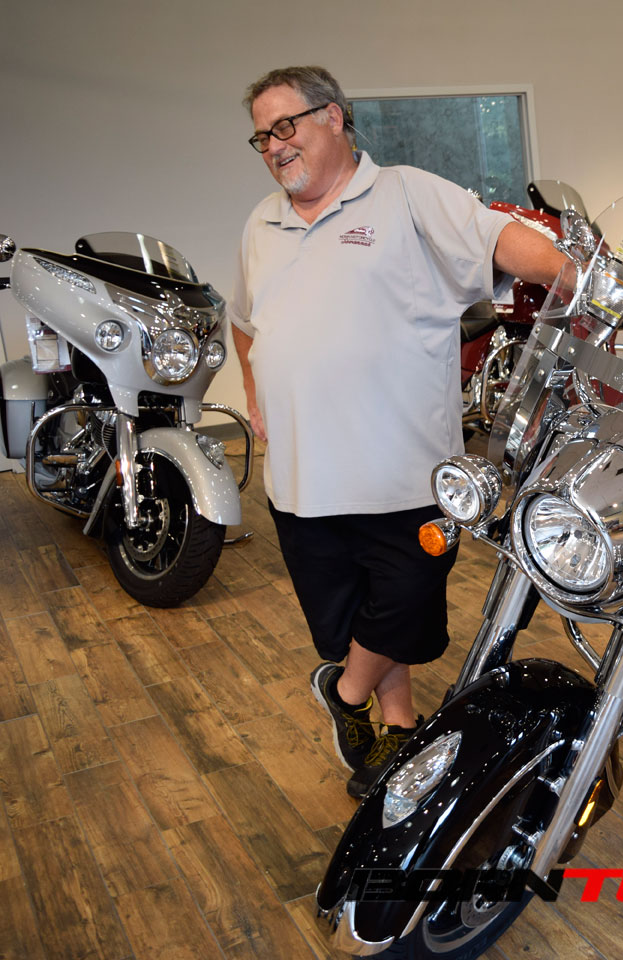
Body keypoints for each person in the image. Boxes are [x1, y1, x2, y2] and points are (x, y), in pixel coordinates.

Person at [230, 66, 570, 798]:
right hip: (302, 477)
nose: (275, 146)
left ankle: (345, 693)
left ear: (334, 117)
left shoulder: (405, 194)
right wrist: (255, 392)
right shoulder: (262, 223)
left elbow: (501, 238)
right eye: (262, 136)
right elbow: (244, 319)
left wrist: (573, 275)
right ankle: (397, 726)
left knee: (405, 602)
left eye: (286, 126)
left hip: (402, 475)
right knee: (351, 617)